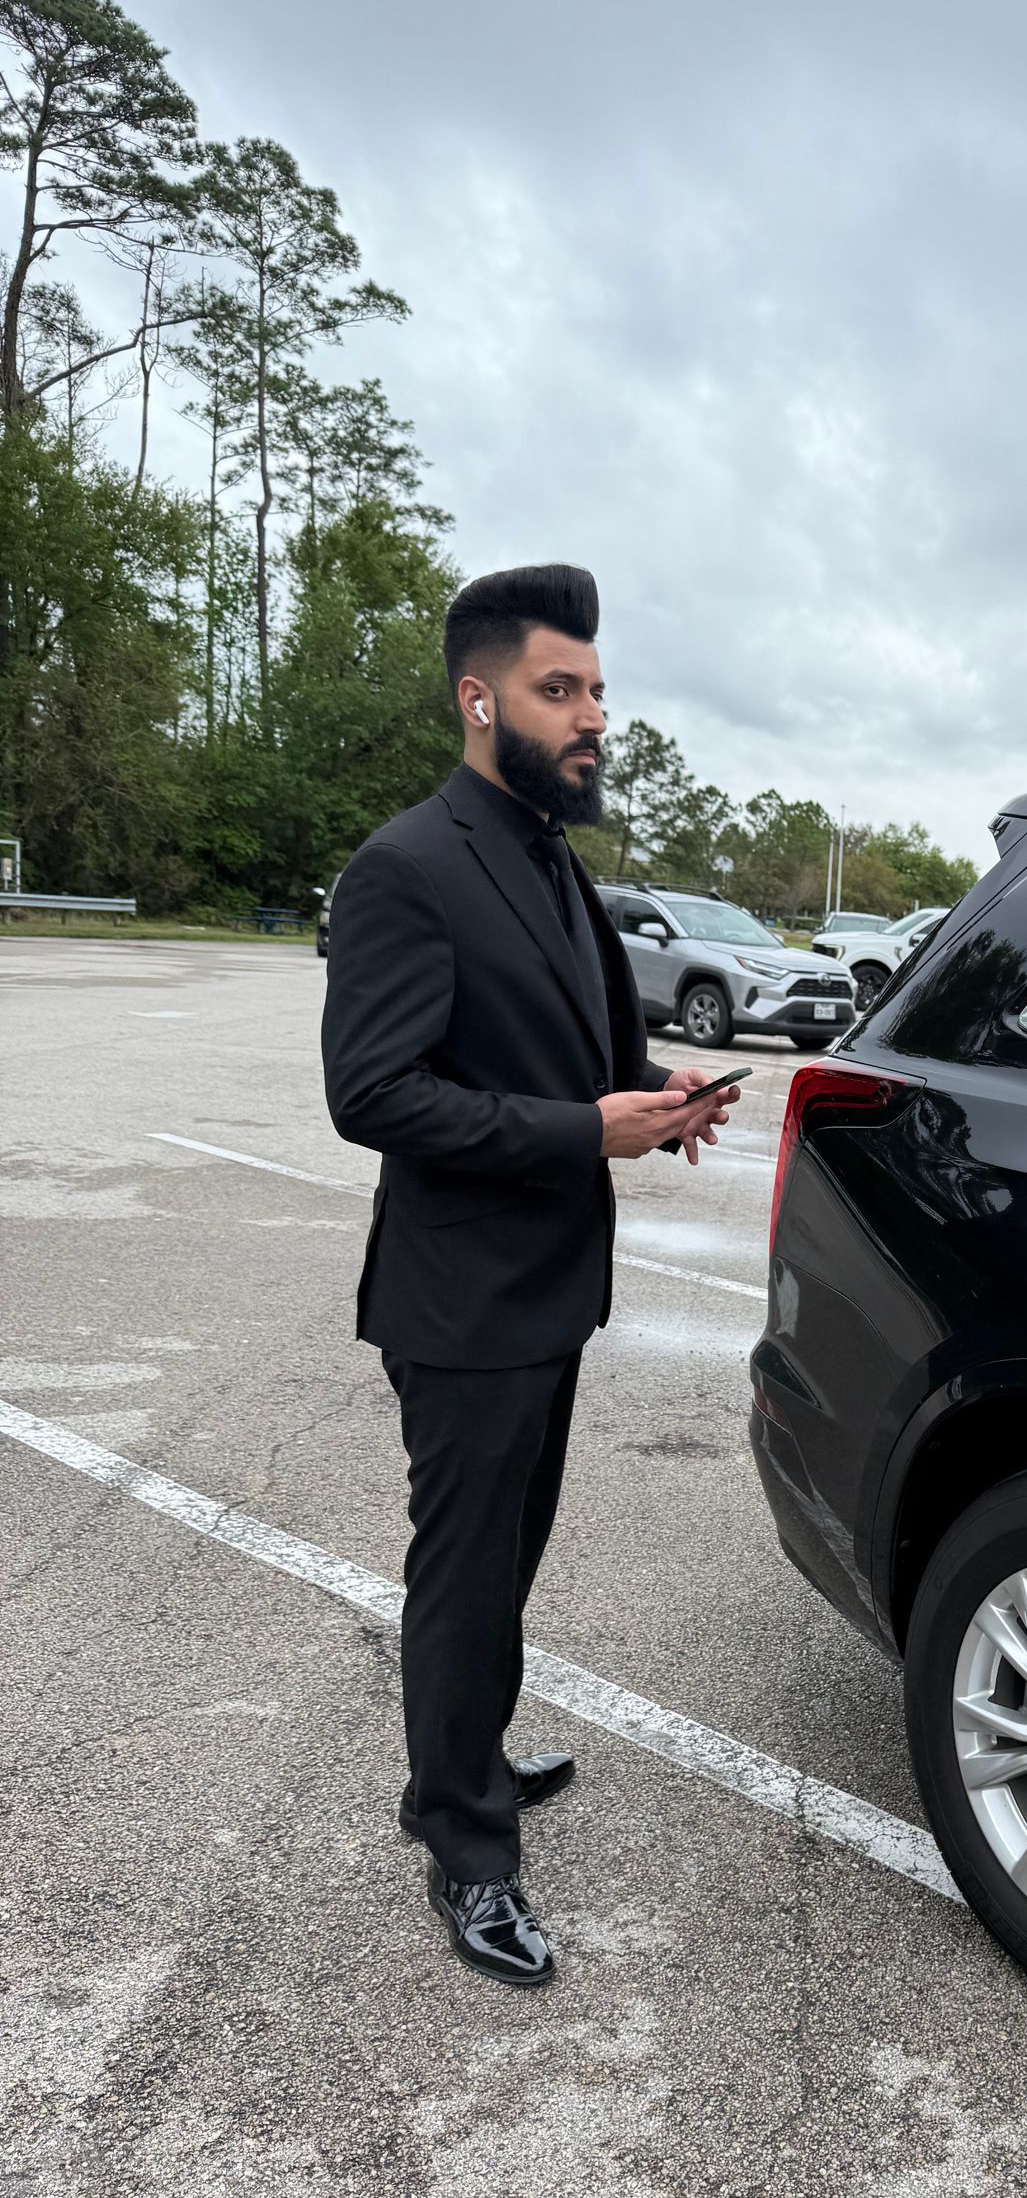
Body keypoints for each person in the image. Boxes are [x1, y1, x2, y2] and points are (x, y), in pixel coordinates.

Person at [321, 564, 738, 1987]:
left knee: (508, 1563)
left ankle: (471, 1758)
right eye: (562, 690)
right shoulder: (408, 867)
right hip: (459, 1306)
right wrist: (584, 1130)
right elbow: (372, 1094)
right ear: (477, 697)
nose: (592, 717)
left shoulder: (556, 857)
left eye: (601, 691)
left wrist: (653, 1094)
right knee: (463, 1574)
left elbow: (568, 1057)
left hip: (549, 1289)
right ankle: (462, 1841)